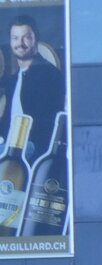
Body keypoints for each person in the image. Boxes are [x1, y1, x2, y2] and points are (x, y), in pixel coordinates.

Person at [0, 14, 66, 158]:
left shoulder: (49, 75)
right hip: (10, 146)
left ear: (35, 39)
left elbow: (49, 122)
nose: (20, 43)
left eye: (26, 37)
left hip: (32, 147)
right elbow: (7, 121)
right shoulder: (13, 80)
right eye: (15, 38)